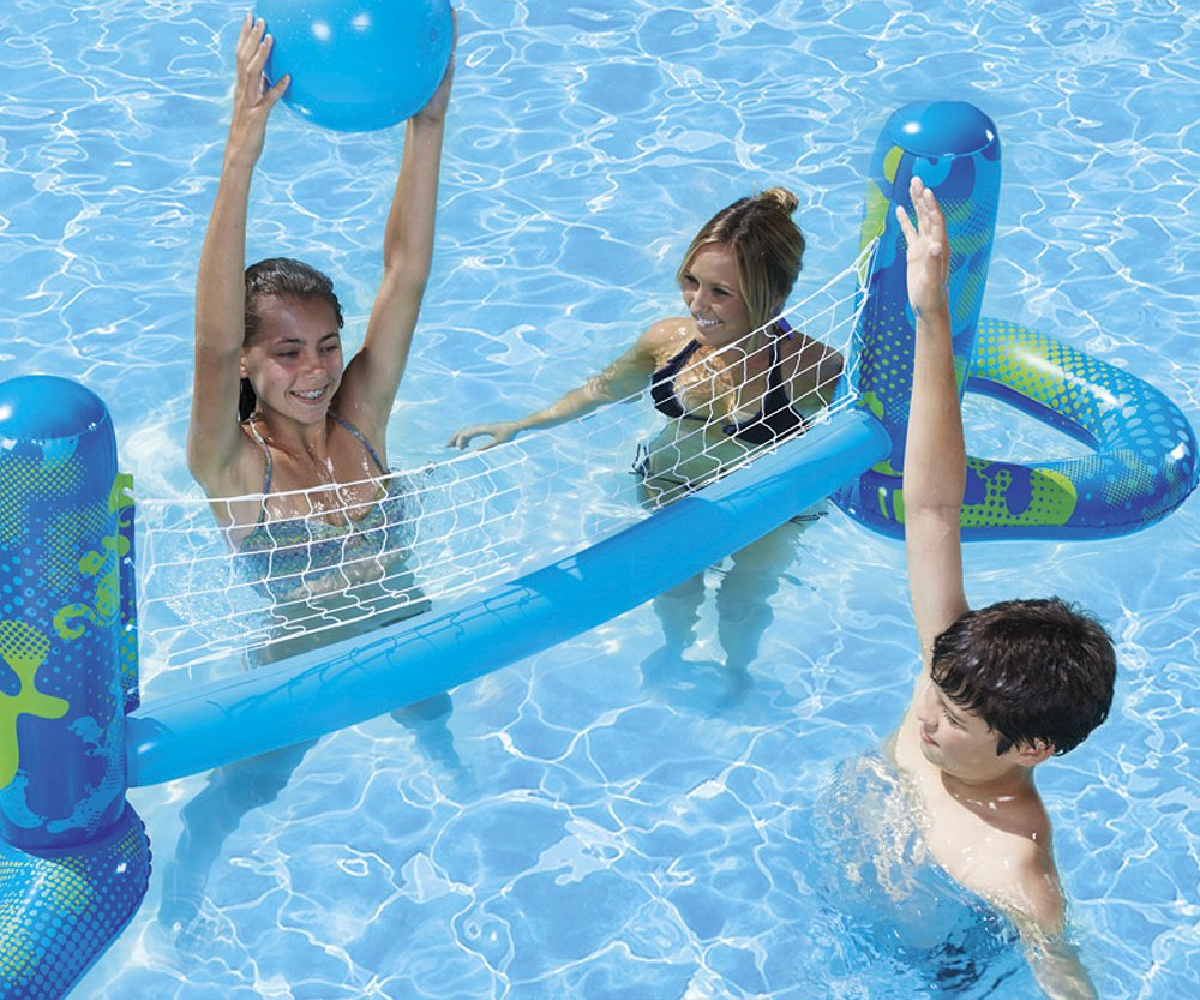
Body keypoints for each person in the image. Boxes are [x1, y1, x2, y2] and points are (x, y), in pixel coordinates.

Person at [162, 14, 459, 938]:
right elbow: (211, 339)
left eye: (327, 344)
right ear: (250, 367)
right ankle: (175, 916)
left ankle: (462, 791)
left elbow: (404, 274)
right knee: (241, 795)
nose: (318, 369)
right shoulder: (231, 466)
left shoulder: (362, 421)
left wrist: (429, 124)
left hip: (408, 633)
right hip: (304, 676)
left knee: (440, 728)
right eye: (286, 352)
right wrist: (241, 149)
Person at [828, 176, 1114, 998]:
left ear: (1031, 749)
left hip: (930, 969)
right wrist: (932, 314)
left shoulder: (1017, 867)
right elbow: (932, 507)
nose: (925, 713)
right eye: (937, 693)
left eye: (952, 720)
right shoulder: (954, 667)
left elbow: (1065, 982)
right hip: (833, 889)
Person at [448, 189, 844, 694]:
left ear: (773, 298)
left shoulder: (811, 368)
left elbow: (873, 429)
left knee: (744, 600)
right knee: (674, 588)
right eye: (690, 281)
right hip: (671, 484)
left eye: (720, 292)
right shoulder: (668, 340)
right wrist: (523, 425)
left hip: (768, 507)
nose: (698, 305)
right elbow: (600, 390)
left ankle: (737, 675)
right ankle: (673, 653)